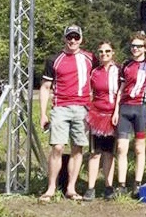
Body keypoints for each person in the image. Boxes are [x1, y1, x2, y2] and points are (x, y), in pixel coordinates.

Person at [38, 25, 97, 203]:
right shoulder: (53, 60)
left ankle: (71, 188)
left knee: (78, 148)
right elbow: (45, 87)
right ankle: (51, 188)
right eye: (69, 37)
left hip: (82, 108)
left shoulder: (90, 58)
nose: (72, 41)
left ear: (81, 39)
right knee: (57, 147)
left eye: (76, 37)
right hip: (60, 108)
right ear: (64, 38)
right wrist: (43, 113)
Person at [112, 31, 146, 198]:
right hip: (124, 108)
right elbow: (120, 89)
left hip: (141, 109)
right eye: (133, 46)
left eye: (139, 46)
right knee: (122, 147)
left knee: (139, 147)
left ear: (145, 48)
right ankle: (121, 184)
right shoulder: (126, 65)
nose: (135, 49)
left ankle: (138, 183)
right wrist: (116, 110)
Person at [83, 41, 119, 201]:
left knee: (109, 153)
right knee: (94, 153)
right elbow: (88, 93)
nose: (104, 54)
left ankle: (108, 187)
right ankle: (90, 188)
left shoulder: (118, 71)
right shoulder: (94, 72)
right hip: (96, 115)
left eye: (107, 51)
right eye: (101, 52)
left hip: (113, 116)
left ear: (113, 53)